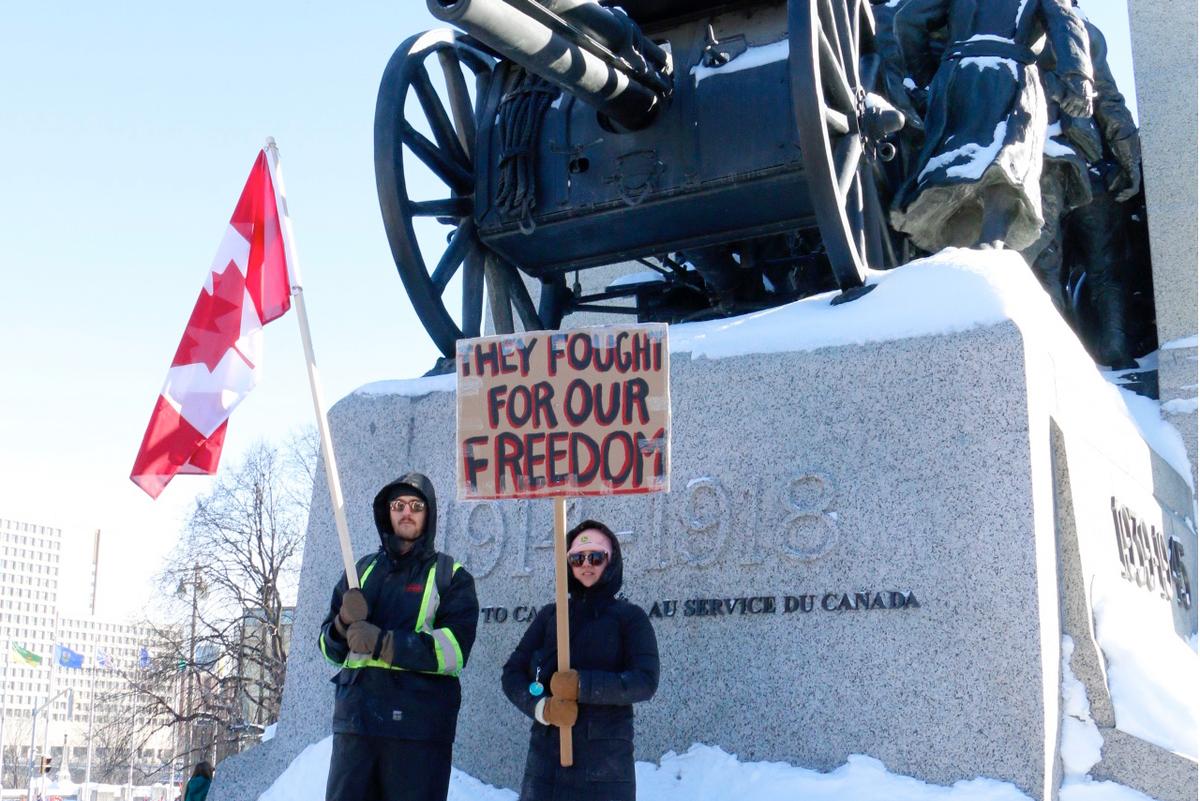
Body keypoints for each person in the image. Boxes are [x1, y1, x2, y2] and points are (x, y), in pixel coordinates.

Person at [319, 472, 479, 801]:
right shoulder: (358, 570)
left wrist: (382, 643)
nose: (406, 512)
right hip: (357, 728)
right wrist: (342, 622)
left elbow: (454, 652)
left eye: (416, 505)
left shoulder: (452, 576)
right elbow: (328, 649)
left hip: (417, 734)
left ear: (429, 513)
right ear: (387, 512)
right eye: (398, 504)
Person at [890, 0, 1094, 251]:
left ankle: (957, 248)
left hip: (956, 74)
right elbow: (1065, 21)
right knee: (1008, 160)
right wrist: (1078, 78)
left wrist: (929, 75)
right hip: (1011, 75)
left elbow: (907, 20)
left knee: (956, 162)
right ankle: (990, 243)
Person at [502, 520, 659, 801]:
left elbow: (645, 681)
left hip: (605, 769)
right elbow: (512, 673)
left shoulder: (630, 618)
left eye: (596, 557)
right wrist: (542, 708)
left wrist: (583, 685)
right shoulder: (550, 616)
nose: (586, 564)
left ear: (611, 561)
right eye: (577, 558)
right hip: (545, 768)